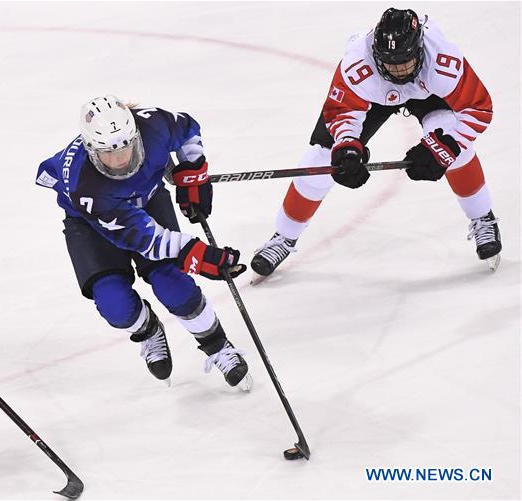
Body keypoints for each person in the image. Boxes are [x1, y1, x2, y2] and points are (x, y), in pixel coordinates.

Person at [250, 8, 501, 277]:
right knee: (321, 161)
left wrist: (443, 148)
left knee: (453, 144)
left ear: (419, 48)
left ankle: (483, 218)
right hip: (374, 96)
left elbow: (478, 108)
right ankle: (283, 238)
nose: (398, 69)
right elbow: (343, 113)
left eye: (404, 61)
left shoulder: (442, 61)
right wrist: (347, 147)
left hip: (428, 92)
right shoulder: (357, 63)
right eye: (389, 62)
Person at [36, 95, 252, 389]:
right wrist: (196, 253)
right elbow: (147, 239)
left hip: (147, 200)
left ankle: (217, 345)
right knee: (114, 304)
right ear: (90, 150)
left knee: (173, 284)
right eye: (107, 154)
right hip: (90, 224)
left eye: (125, 148)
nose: (119, 160)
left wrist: (194, 172)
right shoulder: (85, 186)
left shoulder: (153, 125)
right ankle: (148, 330)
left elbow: (187, 128)